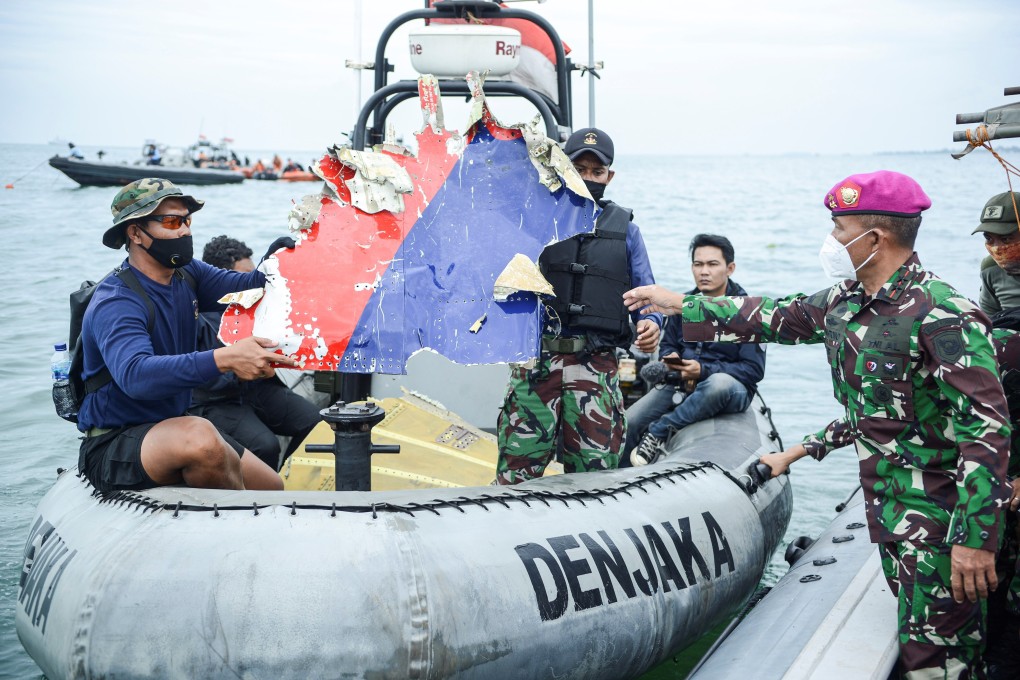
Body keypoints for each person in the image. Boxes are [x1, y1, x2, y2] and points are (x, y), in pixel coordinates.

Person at [624, 170, 1011, 677]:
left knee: (939, 662)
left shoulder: (943, 313)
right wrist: (679, 303)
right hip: (890, 514)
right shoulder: (845, 303)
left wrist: (976, 539)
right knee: (923, 649)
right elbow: (771, 316)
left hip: (940, 523)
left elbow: (987, 431)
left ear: (875, 238)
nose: (832, 241)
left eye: (839, 229)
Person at [77, 178, 300, 493]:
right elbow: (135, 375)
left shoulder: (187, 274)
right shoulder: (117, 300)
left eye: (187, 220)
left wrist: (283, 256)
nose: (184, 230)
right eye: (171, 221)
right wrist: (225, 358)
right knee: (201, 437)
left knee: (271, 485)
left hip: (171, 422)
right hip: (115, 441)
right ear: (135, 232)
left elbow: (251, 286)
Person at [495, 127, 662, 485]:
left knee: (595, 477)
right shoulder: (532, 219)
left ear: (609, 176)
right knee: (516, 473)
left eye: (596, 171)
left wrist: (652, 323)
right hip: (535, 363)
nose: (588, 177)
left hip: (596, 367)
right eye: (579, 168)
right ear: (560, 168)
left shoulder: (626, 231)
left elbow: (645, 295)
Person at [627, 234, 765, 467]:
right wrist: (669, 358)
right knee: (630, 421)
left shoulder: (747, 310)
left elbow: (752, 371)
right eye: (698, 264)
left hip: (728, 388)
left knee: (718, 383)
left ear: (730, 268)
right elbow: (669, 344)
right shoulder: (683, 303)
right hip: (681, 380)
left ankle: (660, 430)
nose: (704, 271)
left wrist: (702, 371)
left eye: (712, 264)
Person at [188, 235, 322, 471]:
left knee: (316, 423)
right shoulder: (198, 319)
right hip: (215, 399)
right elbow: (197, 375)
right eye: (242, 277)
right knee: (264, 445)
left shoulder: (255, 308)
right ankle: (253, 498)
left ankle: (286, 477)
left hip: (255, 387)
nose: (250, 283)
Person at [974, 192, 1020, 316]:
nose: (996, 248)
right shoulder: (990, 268)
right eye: (989, 239)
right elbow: (989, 322)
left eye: (1006, 239)